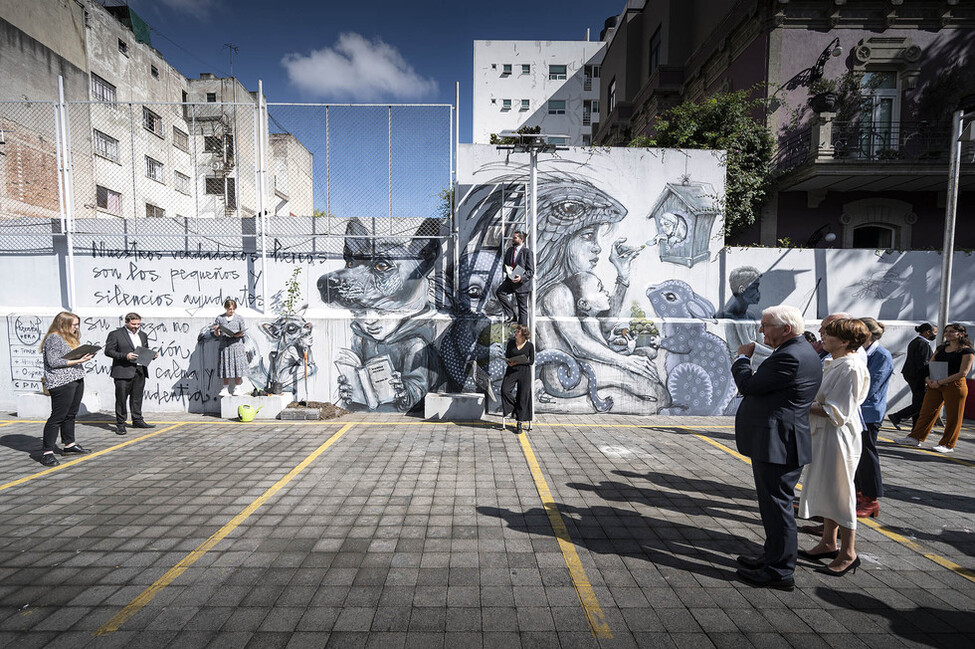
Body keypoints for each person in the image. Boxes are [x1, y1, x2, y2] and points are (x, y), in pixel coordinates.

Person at [731, 305, 823, 591]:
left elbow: (749, 385)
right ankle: (772, 557)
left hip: (779, 444)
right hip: (779, 441)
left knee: (777, 508)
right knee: (772, 507)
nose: (761, 330)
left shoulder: (790, 357)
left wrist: (742, 360)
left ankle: (780, 571)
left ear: (786, 329)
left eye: (766, 325)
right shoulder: (795, 351)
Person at [798, 318, 870, 577]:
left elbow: (837, 412)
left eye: (828, 334)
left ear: (845, 341)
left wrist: (798, 404)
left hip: (838, 437)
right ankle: (829, 542)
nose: (822, 337)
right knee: (829, 489)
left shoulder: (850, 367)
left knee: (841, 491)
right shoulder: (834, 362)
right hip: (825, 435)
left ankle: (849, 552)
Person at [896, 323, 974, 453]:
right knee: (927, 412)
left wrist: (940, 382)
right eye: (946, 331)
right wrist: (928, 379)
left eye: (951, 331)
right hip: (935, 383)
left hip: (954, 385)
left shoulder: (967, 351)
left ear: (961, 334)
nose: (947, 333)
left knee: (953, 416)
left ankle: (947, 444)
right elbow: (931, 364)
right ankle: (915, 438)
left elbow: (963, 372)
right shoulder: (942, 348)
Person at [39, 312, 96, 466]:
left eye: (78, 324)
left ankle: (69, 445)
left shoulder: (69, 337)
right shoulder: (54, 338)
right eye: (74, 324)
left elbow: (68, 357)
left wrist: (84, 356)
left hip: (76, 378)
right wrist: (79, 359)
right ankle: (47, 452)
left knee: (70, 414)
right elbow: (53, 362)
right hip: (61, 381)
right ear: (63, 323)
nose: (76, 327)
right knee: (57, 417)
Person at [855, 318, 893, 519]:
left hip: (868, 413)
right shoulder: (861, 353)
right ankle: (859, 494)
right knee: (857, 457)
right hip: (858, 411)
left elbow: (871, 387)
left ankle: (871, 498)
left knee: (867, 456)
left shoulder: (881, 355)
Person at [105, 312, 157, 435]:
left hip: (139, 370)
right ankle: (121, 424)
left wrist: (152, 355)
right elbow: (108, 351)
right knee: (121, 399)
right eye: (133, 324)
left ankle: (137, 419)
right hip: (123, 371)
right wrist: (125, 356)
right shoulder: (115, 334)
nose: (136, 326)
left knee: (137, 397)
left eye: (138, 324)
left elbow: (144, 350)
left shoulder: (143, 335)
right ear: (127, 322)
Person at [888, 322, 936, 430]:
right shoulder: (922, 344)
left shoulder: (917, 342)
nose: (935, 334)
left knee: (918, 402)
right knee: (922, 403)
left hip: (913, 375)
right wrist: (926, 378)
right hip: (917, 376)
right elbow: (923, 363)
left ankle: (915, 426)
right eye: (934, 332)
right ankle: (898, 416)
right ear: (928, 332)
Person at [495, 230, 534, 326]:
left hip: (521, 284)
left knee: (522, 309)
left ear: (521, 239)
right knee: (500, 292)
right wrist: (507, 268)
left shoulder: (527, 252)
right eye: (513, 237)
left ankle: (522, 332)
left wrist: (521, 278)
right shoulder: (509, 250)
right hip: (510, 281)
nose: (512, 239)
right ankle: (511, 315)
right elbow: (504, 265)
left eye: (515, 238)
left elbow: (531, 271)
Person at [501, 324, 534, 432]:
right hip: (512, 370)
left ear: (523, 334)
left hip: (524, 371)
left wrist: (523, 360)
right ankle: (515, 408)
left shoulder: (529, 346)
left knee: (523, 396)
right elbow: (507, 356)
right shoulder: (511, 343)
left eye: (518, 332)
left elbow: (532, 361)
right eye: (516, 331)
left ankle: (519, 423)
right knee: (505, 390)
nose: (516, 333)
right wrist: (510, 362)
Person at [213, 299, 249, 396]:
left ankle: (237, 387)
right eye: (229, 309)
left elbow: (243, 332)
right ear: (225, 308)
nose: (231, 311)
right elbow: (217, 334)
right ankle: (225, 388)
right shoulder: (220, 318)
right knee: (226, 366)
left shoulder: (239, 318)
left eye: (233, 309)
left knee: (238, 366)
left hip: (237, 345)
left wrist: (238, 335)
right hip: (225, 346)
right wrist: (216, 330)